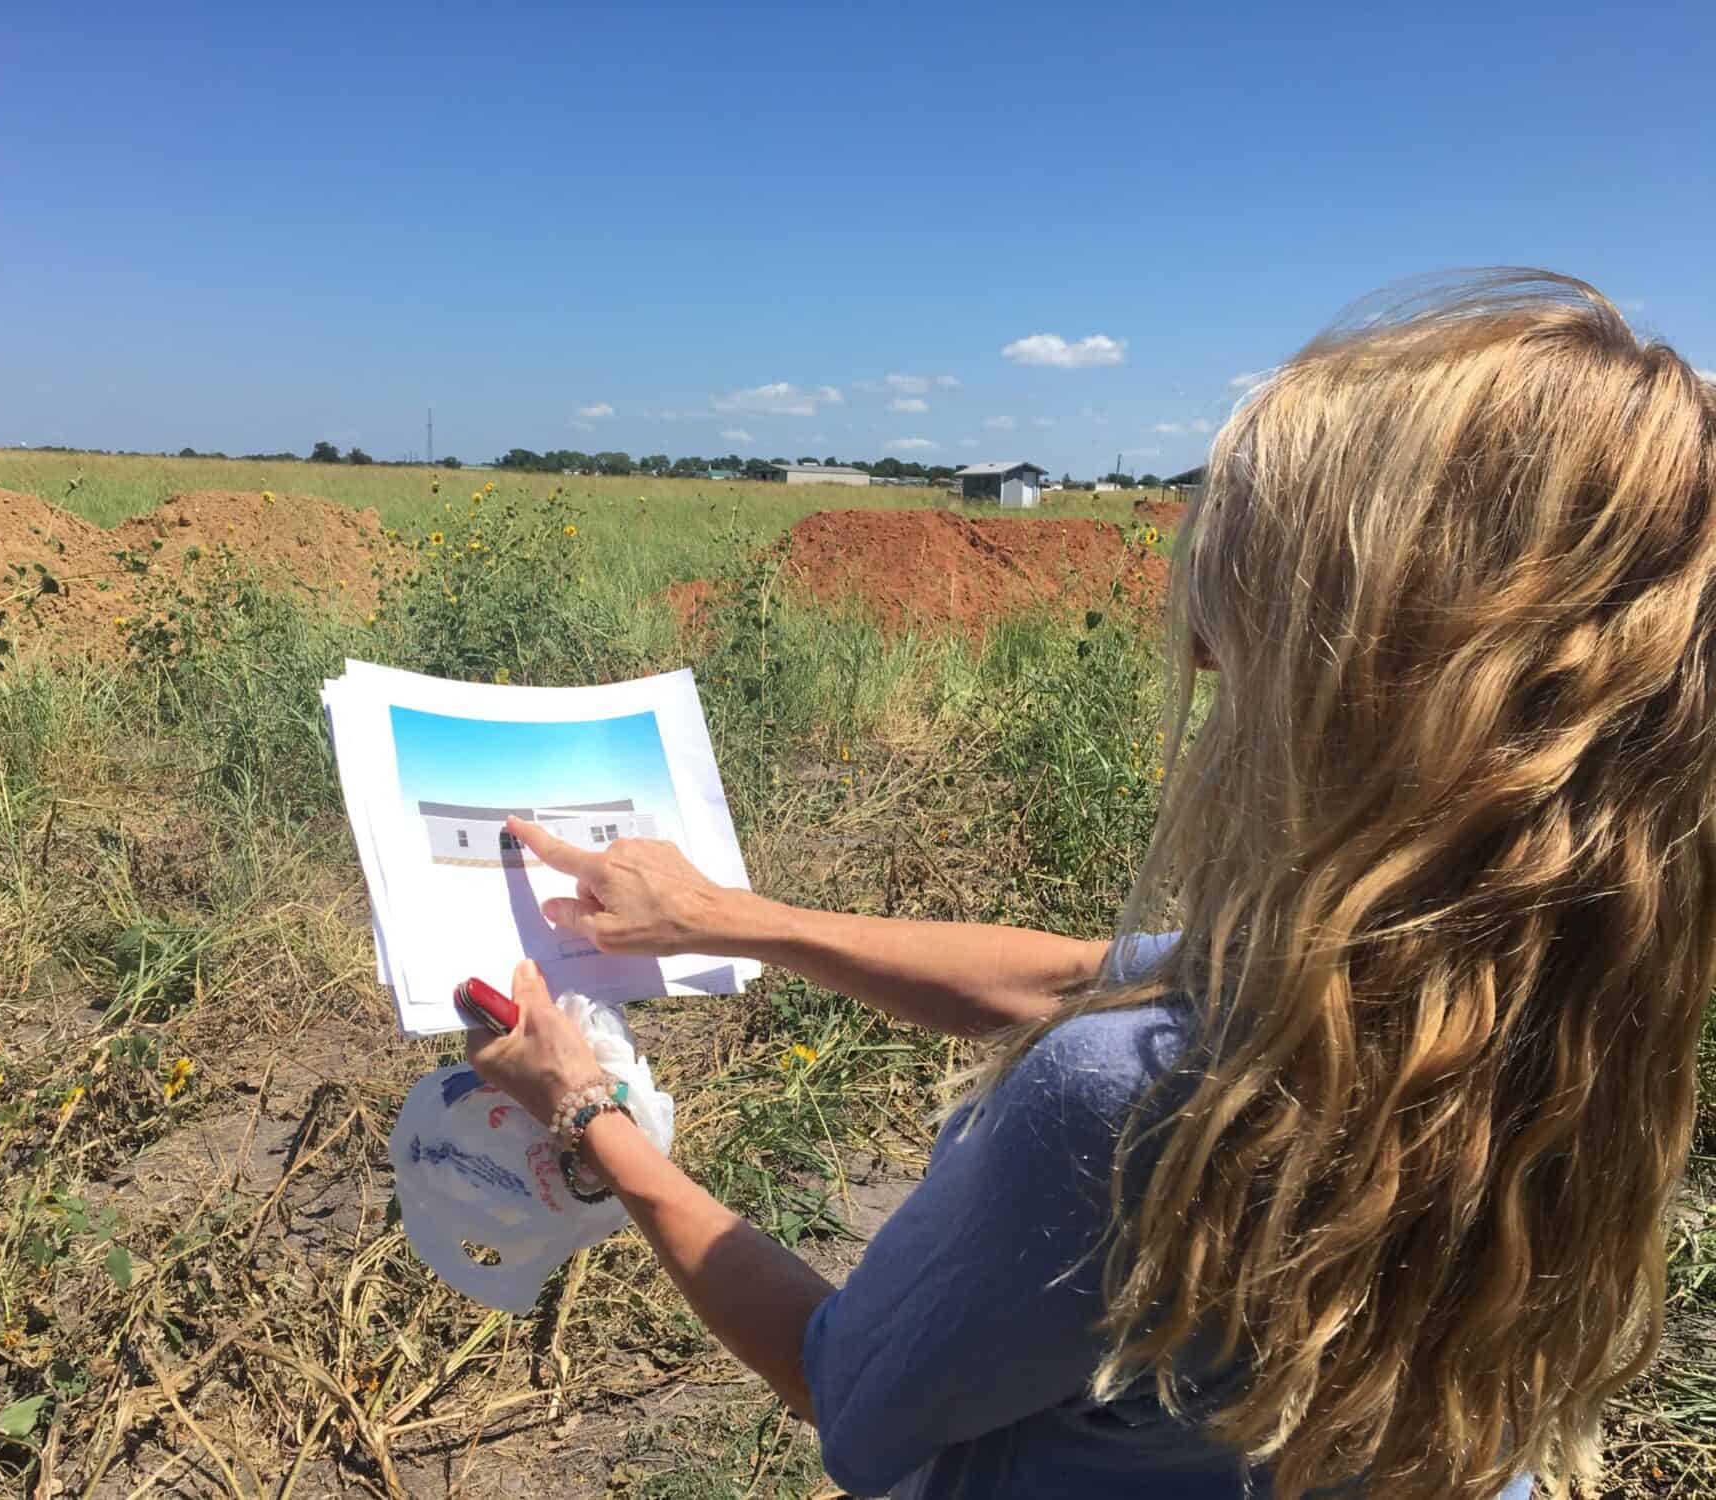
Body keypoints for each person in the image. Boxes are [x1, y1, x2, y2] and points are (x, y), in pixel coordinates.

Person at [466, 272, 1715, 1499]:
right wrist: (733, 920)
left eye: (1242, 616)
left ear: (1369, 679)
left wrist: (587, 1115)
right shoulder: (1564, 999)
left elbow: (841, 1385)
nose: (1198, 656)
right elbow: (1077, 977)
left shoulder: (1134, 1107)